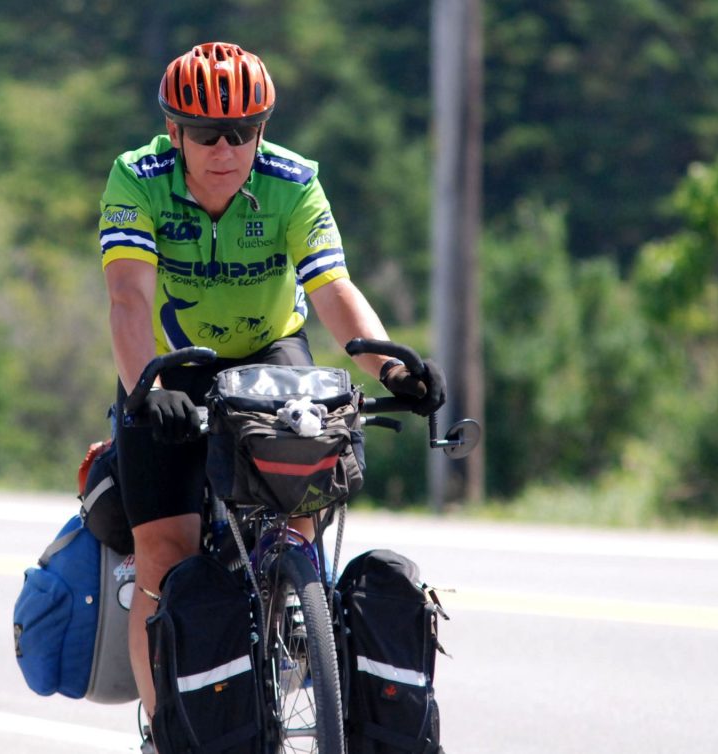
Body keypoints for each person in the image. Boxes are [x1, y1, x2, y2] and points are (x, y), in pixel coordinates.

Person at [98, 41, 446, 725]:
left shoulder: (292, 181)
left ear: (262, 128)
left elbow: (333, 289)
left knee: (300, 507)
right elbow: (128, 301)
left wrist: (392, 367)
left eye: (243, 131)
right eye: (205, 133)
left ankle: (292, 605)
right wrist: (146, 386)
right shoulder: (136, 178)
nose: (225, 148)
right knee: (163, 552)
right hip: (170, 365)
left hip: (268, 354)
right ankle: (168, 729)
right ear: (175, 133)